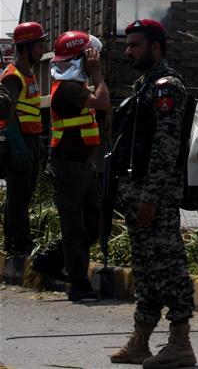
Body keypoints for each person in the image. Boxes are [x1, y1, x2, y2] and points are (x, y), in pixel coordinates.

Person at [110, 19, 196, 368]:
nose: (128, 51)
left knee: (168, 266)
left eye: (136, 45)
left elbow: (166, 146)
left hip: (153, 194)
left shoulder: (166, 87)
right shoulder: (145, 86)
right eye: (128, 45)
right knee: (146, 269)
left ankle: (180, 343)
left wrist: (150, 195)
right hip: (137, 190)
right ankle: (141, 339)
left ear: (156, 47)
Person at [47, 31, 110, 301]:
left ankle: (50, 260)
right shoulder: (70, 88)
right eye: (91, 57)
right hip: (69, 166)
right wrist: (97, 73)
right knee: (74, 226)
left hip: (82, 165)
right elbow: (104, 102)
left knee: (92, 225)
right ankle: (78, 282)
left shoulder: (74, 85)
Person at [0, 22, 48, 255]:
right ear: (27, 47)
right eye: (39, 45)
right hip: (18, 141)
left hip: (32, 140)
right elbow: (6, 115)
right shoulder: (13, 77)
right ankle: (19, 245)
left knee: (24, 195)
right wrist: (17, 146)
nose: (42, 49)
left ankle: (12, 243)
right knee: (18, 197)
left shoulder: (30, 74)